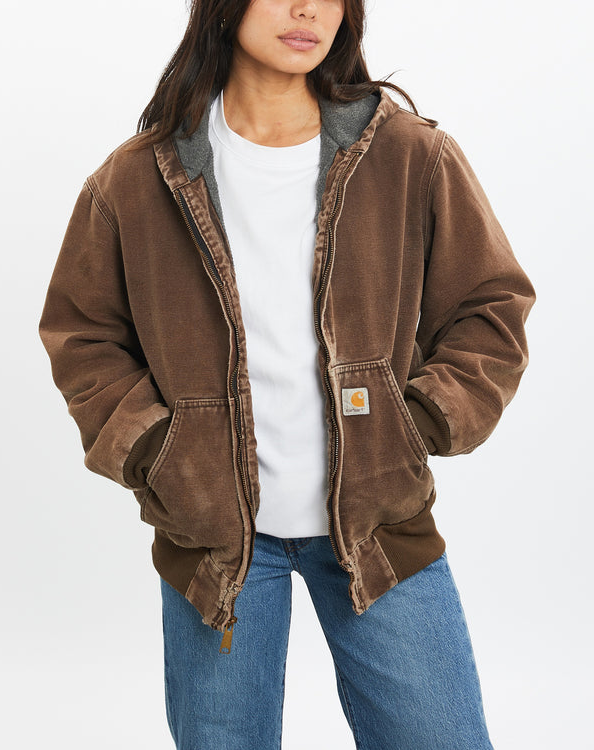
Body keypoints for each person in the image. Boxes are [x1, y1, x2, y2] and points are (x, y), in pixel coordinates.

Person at [39, 0, 536, 747]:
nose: (308, 8)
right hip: (215, 549)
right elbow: (83, 334)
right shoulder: (138, 179)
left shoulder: (409, 155)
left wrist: (419, 421)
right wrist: (157, 450)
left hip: (381, 528)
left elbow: (490, 308)